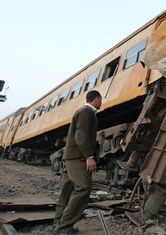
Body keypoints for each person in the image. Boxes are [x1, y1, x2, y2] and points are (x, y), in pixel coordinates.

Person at [53, 90, 102, 235]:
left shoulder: (82, 111)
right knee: (83, 189)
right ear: (96, 99)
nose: (101, 103)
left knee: (67, 191)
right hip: (78, 158)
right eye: (101, 100)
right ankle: (64, 228)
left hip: (71, 157)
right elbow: (80, 135)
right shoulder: (87, 112)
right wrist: (89, 156)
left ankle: (59, 225)